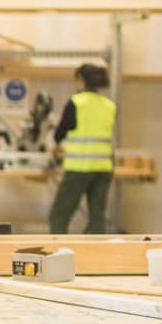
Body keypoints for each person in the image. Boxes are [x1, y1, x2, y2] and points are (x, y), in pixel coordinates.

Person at [49, 63, 116, 234]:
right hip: (104, 168)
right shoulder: (109, 105)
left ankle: (59, 253)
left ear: (80, 79)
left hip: (79, 168)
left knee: (59, 215)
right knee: (97, 217)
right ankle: (96, 254)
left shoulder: (76, 103)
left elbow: (59, 134)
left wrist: (55, 147)